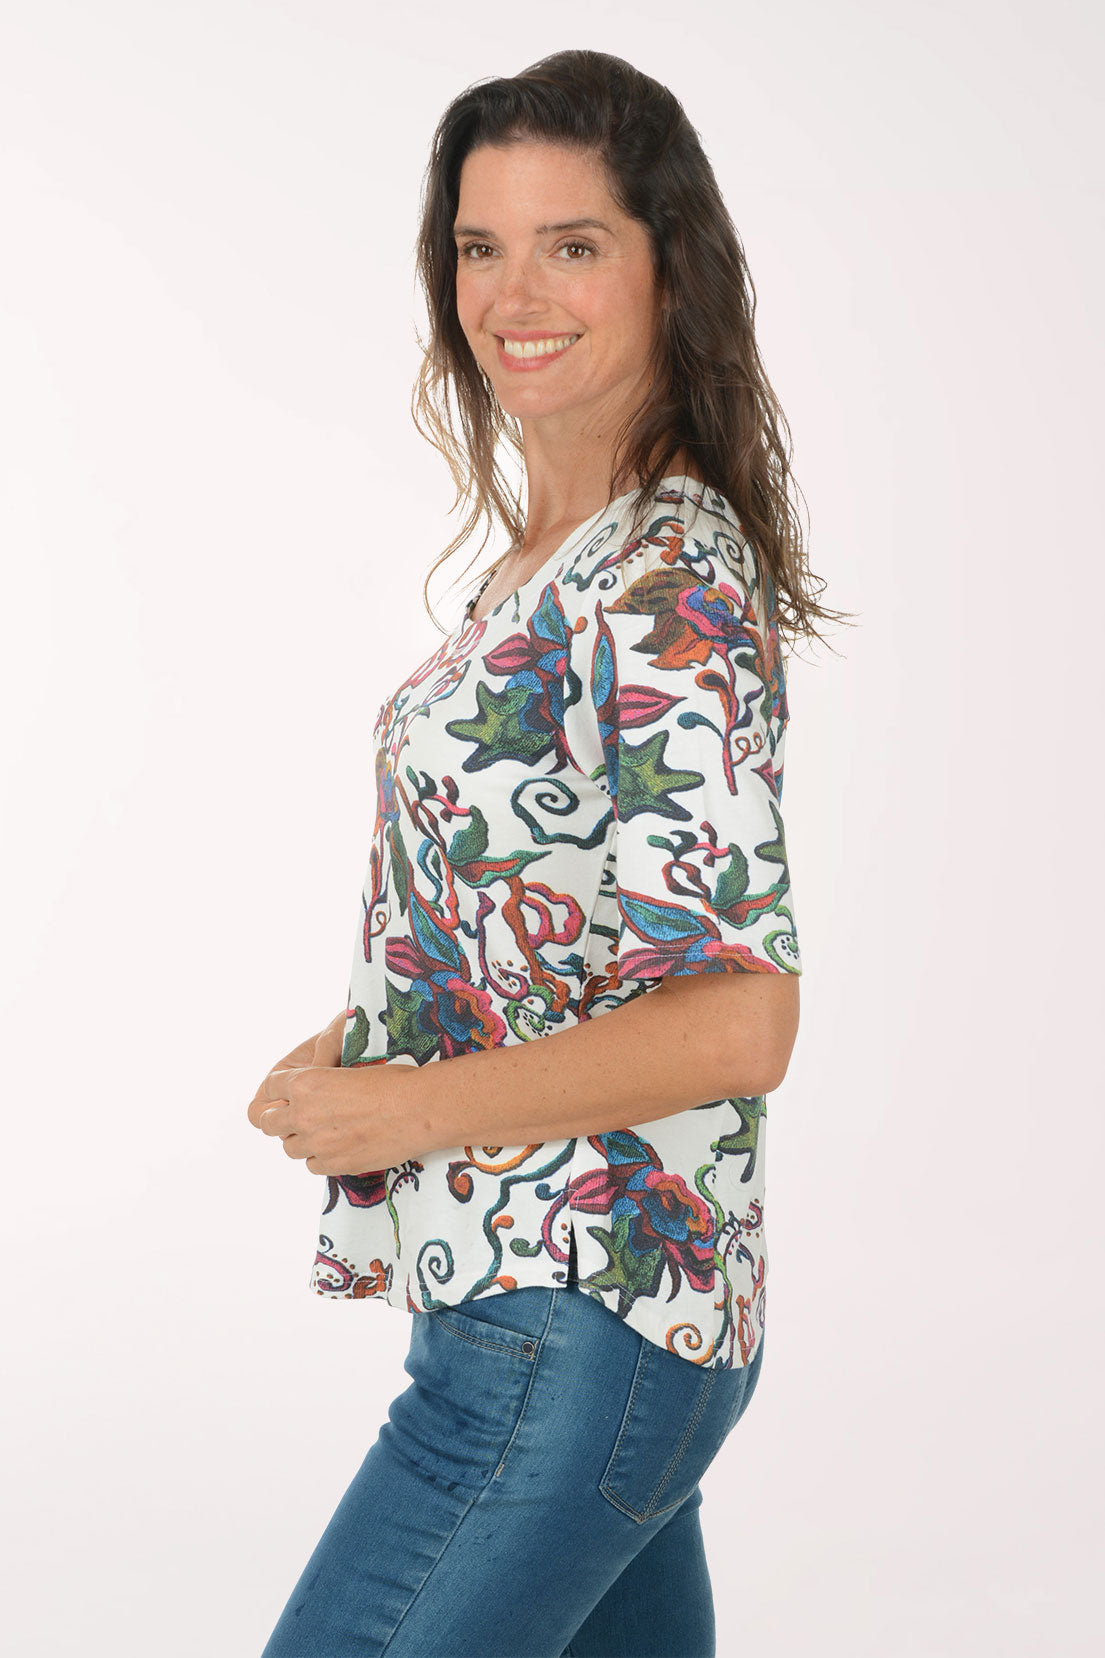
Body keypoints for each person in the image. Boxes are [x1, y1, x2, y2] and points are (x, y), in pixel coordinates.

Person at [249, 47, 845, 1658]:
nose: (512, 295)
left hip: (580, 1320)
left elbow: (738, 1017)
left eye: (570, 244)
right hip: (549, 1313)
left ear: (667, 267)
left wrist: (399, 1108)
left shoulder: (664, 581)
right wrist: (372, 1034)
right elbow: (564, 936)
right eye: (478, 246)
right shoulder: (554, 563)